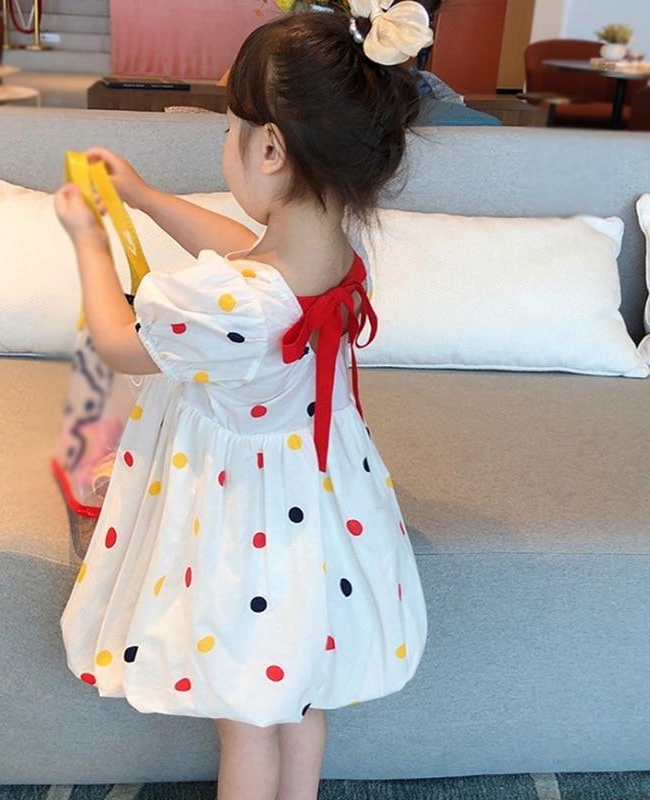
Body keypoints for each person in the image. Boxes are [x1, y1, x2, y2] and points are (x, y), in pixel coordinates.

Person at [53, 3, 430, 798]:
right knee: (295, 697)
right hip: (316, 501)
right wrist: (147, 198)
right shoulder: (332, 253)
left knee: (246, 720)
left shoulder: (234, 304)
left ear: (269, 148)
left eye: (229, 130)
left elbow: (118, 343)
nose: (227, 144)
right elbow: (245, 251)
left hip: (243, 523)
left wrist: (87, 240)